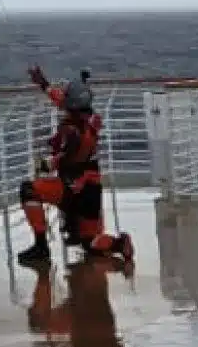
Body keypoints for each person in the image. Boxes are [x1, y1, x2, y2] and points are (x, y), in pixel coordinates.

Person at [17, 64, 134, 270]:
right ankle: (119, 243)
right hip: (92, 188)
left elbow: (66, 158)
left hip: (73, 187)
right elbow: (61, 100)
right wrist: (44, 84)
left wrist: (46, 164)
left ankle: (41, 246)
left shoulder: (73, 131)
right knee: (90, 242)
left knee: (29, 190)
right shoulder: (91, 120)